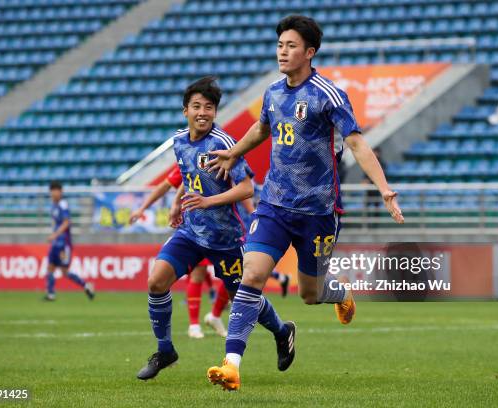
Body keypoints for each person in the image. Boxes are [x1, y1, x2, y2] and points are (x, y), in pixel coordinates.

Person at [206, 15, 404, 391]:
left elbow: (358, 143)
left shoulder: (327, 94)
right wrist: (234, 153)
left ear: (310, 52)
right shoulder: (273, 93)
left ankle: (340, 292)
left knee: (310, 294)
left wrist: (384, 188)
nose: (283, 51)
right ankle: (231, 364)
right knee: (251, 275)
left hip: (318, 213)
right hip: (274, 205)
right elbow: (262, 128)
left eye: (291, 45)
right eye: (280, 45)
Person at [136, 77, 295, 382]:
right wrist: (176, 203)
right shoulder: (180, 140)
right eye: (197, 106)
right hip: (191, 233)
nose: (203, 112)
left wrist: (209, 201)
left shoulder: (222, 144)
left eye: (209, 107)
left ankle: (282, 330)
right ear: (186, 111)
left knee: (245, 299)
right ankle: (165, 349)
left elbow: (247, 188)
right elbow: (188, 172)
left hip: (225, 239)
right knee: (156, 281)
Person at [129, 166, 230, 339]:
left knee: (233, 275)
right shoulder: (189, 157)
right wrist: (143, 208)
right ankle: (194, 324)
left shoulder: (220, 156)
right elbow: (166, 185)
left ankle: (215, 315)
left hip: (223, 228)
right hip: (196, 228)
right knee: (198, 274)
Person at [44, 181, 95, 301]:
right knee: (50, 267)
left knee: (64, 271)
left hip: (63, 243)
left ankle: (86, 286)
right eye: (52, 190)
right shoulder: (53, 206)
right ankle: (51, 294)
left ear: (60, 192)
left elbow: (67, 222)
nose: (53, 193)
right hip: (56, 242)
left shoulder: (63, 204)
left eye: (55, 190)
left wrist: (54, 235)